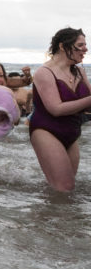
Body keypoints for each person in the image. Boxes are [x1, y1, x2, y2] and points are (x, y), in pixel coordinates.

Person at [28, 28, 91, 192]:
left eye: (85, 45)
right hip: (46, 131)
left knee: (66, 189)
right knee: (65, 186)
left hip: (72, 132)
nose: (85, 49)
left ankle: (54, 216)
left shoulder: (79, 71)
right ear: (63, 46)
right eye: (80, 45)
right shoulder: (44, 72)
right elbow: (56, 109)